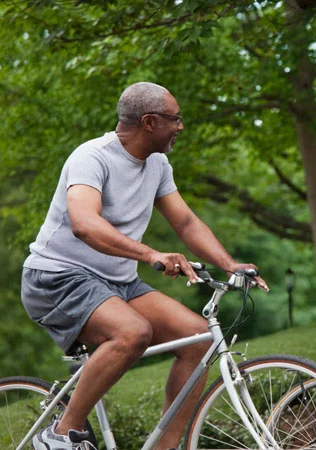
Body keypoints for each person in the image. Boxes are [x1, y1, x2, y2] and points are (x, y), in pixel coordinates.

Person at [21, 81, 268, 450]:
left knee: (197, 338)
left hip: (115, 281)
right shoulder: (91, 157)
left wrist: (229, 264)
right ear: (150, 122)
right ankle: (61, 434)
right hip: (57, 277)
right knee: (133, 332)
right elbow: (84, 224)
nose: (181, 126)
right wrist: (150, 254)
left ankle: (163, 447)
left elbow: (185, 223)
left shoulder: (157, 164)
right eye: (175, 118)